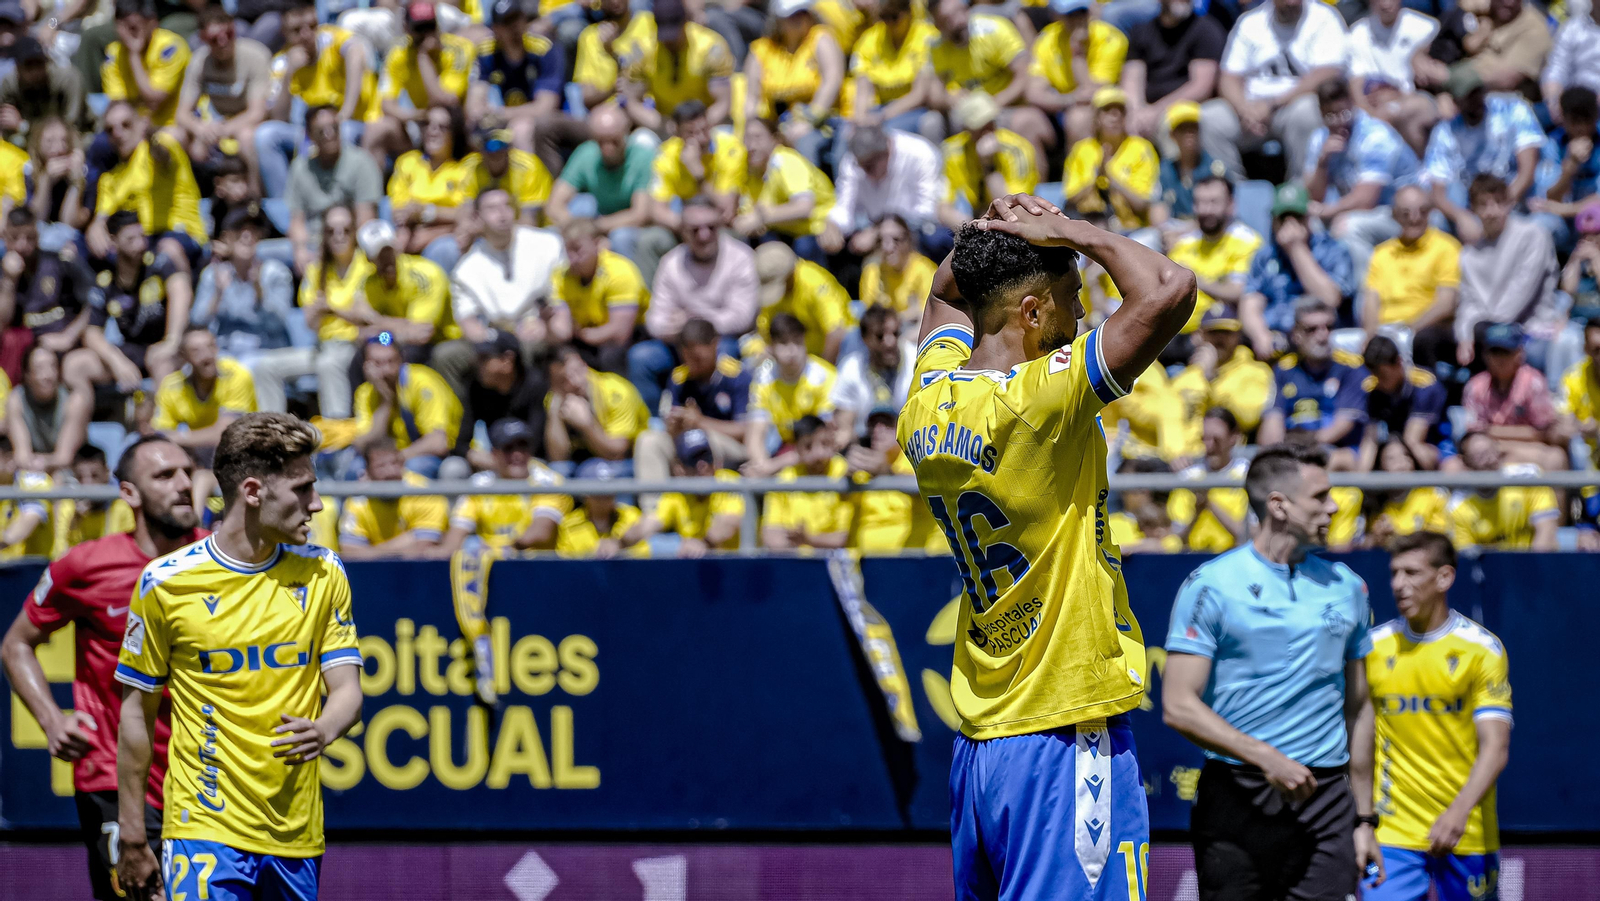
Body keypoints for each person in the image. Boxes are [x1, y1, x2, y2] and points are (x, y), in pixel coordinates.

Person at [899, 192, 1196, 898]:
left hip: (982, 747)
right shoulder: (1043, 398)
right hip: (1063, 733)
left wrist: (986, 237)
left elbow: (944, 295)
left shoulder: (926, 396)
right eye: (1071, 300)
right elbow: (1171, 288)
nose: (1084, 314)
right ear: (1032, 314)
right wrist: (1067, 230)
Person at [112, 413, 363, 900]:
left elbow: (348, 691)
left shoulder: (324, 572)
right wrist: (134, 833)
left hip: (296, 833)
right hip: (203, 830)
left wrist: (324, 729)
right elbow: (136, 717)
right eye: (302, 489)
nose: (317, 503)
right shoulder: (165, 582)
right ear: (252, 491)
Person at [1163, 444, 1378, 901]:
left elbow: (1359, 709)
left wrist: (1364, 820)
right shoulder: (1211, 584)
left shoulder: (1349, 587)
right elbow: (1179, 705)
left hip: (1326, 802)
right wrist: (1267, 758)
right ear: (1279, 505)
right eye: (1320, 496)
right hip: (1235, 799)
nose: (1335, 506)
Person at [0, 436, 204, 901]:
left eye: (187, 473)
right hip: (113, 775)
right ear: (129, 493)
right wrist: (52, 720)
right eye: (164, 475)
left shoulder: (222, 563)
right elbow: (16, 646)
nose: (182, 485)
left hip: (202, 777)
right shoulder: (86, 566)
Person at [1359, 531, 1512, 901]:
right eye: (1395, 573)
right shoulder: (1373, 648)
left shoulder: (1482, 650)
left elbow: (1496, 747)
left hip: (1467, 829)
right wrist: (1361, 821)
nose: (1399, 584)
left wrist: (1457, 813)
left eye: (1412, 573)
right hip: (1392, 834)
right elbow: (1358, 743)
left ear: (1444, 577)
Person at [1201, 0, 1347, 183]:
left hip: (1292, 108)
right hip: (1250, 110)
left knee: (1308, 111)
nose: (1292, 2)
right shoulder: (1250, 22)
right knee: (1210, 117)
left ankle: (1301, 193)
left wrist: (1272, 104)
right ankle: (1232, 194)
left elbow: (1328, 73)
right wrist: (1244, 109)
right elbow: (1228, 77)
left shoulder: (1324, 18)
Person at [634, 197, 760, 404]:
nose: (704, 235)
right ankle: (655, 426)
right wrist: (687, 328)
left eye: (711, 227)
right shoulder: (671, 263)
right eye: (695, 230)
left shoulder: (741, 257)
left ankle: (722, 418)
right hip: (678, 343)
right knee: (641, 357)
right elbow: (654, 320)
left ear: (720, 227)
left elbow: (741, 318)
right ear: (682, 231)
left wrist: (693, 321)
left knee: (724, 354)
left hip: (722, 342)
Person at [252, 205, 371, 418]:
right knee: (265, 367)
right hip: (322, 346)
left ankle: (337, 439)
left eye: (345, 230)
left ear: (355, 233)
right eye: (331, 231)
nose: (339, 237)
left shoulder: (368, 267)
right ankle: (270, 434)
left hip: (355, 346)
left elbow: (368, 318)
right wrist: (330, 311)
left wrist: (331, 308)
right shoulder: (317, 269)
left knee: (328, 365)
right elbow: (311, 323)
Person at [1303, 79, 1421, 279]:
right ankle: (1327, 293)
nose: (1340, 122)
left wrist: (1328, 211)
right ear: (1321, 113)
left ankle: (1366, 297)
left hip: (1401, 213)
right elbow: (1314, 196)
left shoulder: (1376, 136)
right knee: (1307, 224)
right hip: (1364, 212)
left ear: (1352, 104)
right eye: (1331, 116)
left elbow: (1366, 200)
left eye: (1344, 113)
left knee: (1349, 226)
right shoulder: (1319, 139)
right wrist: (1322, 163)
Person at [66, 211, 192, 394]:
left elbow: (181, 289)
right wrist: (116, 360)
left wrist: (172, 341)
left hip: (168, 347)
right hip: (132, 350)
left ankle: (161, 421)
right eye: (131, 239)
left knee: (159, 360)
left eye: (142, 236)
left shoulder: (158, 263)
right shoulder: (106, 281)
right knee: (75, 365)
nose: (140, 244)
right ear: (113, 241)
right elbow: (91, 332)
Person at [260, 6, 377, 200]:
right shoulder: (282, 62)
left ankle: (340, 201)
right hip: (305, 132)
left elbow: (356, 53)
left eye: (312, 26)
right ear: (284, 33)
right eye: (297, 31)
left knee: (339, 131)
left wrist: (343, 114)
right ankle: (285, 208)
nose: (306, 35)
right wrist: (289, 74)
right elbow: (279, 118)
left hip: (351, 122)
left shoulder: (331, 38)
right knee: (265, 136)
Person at [1455, 176, 1563, 371]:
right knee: (1429, 339)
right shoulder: (1468, 254)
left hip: (1530, 328)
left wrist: (1485, 329)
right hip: (1484, 328)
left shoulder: (1533, 235)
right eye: (1483, 205)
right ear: (1472, 209)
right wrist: (1465, 335)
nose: (1492, 212)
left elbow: (1521, 291)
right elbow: (1468, 302)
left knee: (1483, 336)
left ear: (1509, 204)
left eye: (1498, 203)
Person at [86, 100, 208, 272]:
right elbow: (101, 218)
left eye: (126, 125)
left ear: (140, 123)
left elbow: (162, 154)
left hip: (179, 234)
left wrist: (150, 134)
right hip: (141, 243)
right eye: (110, 130)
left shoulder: (157, 149)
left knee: (167, 250)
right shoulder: (110, 179)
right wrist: (95, 228)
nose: (118, 133)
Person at [926, 0, 1051, 167]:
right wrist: (952, 99)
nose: (959, 21)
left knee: (1026, 123)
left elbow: (1024, 76)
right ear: (937, 25)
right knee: (930, 125)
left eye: (960, 12)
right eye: (948, 19)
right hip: (967, 110)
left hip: (1006, 106)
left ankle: (1033, 188)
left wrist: (994, 104)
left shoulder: (994, 31)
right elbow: (935, 95)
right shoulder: (937, 46)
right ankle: (948, 188)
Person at [1422, 68, 1542, 242]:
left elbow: (1527, 172)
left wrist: (1499, 209)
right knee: (1436, 219)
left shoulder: (1513, 109)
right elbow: (1438, 191)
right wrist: (1462, 218)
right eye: (1468, 95)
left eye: (1478, 92)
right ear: (1456, 101)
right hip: (1470, 204)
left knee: (1544, 225)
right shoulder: (1445, 131)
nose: (1475, 99)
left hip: (1512, 199)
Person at [1239, 183, 1355, 360]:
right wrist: (1260, 335)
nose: (1290, 224)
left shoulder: (1333, 249)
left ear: (1308, 218)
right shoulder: (1265, 256)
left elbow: (1330, 299)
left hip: (1318, 338)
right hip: (1274, 340)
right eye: (1283, 217)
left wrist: (1297, 249)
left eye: (1297, 217)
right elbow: (1251, 303)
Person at [633, 317, 753, 485]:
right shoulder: (679, 378)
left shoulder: (737, 376)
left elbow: (746, 430)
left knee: (704, 439)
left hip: (732, 447)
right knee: (649, 440)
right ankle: (654, 508)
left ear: (715, 344)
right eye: (687, 358)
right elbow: (669, 425)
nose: (693, 364)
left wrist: (700, 422)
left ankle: (714, 503)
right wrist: (674, 426)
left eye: (698, 358)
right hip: (687, 440)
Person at [1257, 299, 1369, 468]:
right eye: (1312, 329)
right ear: (1296, 335)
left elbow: (1340, 428)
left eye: (1328, 327)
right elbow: (1270, 431)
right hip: (1293, 454)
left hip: (1336, 453)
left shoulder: (1352, 368)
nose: (1323, 335)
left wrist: (1298, 443)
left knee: (1340, 459)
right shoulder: (1283, 370)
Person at [439, 416, 569, 557]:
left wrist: (499, 550)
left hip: (538, 566)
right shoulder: (479, 484)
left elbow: (540, 533)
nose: (517, 454)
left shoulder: (548, 481)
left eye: (523, 446)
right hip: (492, 565)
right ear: (494, 454)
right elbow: (456, 534)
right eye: (508, 448)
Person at [821, 124, 949, 266]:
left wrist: (879, 231)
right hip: (870, 229)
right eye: (860, 166)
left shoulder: (920, 154)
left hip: (915, 230)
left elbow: (926, 211)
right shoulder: (853, 162)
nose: (864, 172)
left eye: (869, 166)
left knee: (936, 240)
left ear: (888, 151)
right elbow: (845, 207)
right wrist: (832, 224)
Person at [365, 1, 478, 160]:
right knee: (377, 129)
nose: (426, 34)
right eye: (419, 29)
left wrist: (423, 58)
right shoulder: (399, 53)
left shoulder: (459, 49)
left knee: (439, 116)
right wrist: (415, 116)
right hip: (421, 121)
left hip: (458, 126)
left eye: (430, 27)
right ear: (406, 28)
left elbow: (445, 100)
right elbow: (387, 104)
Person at [1361, 186, 1460, 367]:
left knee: (1422, 341)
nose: (1414, 218)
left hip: (1424, 329)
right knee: (1339, 344)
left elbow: (1446, 303)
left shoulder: (1447, 248)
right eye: (1406, 213)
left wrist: (1409, 330)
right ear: (1395, 215)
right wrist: (1370, 336)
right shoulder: (1382, 253)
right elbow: (1371, 300)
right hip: (1386, 330)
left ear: (1430, 213)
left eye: (1422, 212)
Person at [281, 105, 383, 275]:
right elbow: (296, 220)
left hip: (349, 242)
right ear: (309, 135)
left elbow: (366, 220)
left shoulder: (362, 163)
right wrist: (300, 249)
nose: (329, 135)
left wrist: (335, 250)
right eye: (321, 131)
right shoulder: (300, 168)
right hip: (312, 243)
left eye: (334, 128)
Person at [742, 0, 845, 166]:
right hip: (776, 125)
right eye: (791, 15)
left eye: (803, 13)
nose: (799, 18)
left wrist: (809, 120)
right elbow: (751, 98)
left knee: (805, 143)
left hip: (822, 122)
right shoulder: (762, 50)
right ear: (778, 20)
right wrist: (750, 131)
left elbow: (832, 80)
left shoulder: (820, 38)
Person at [175, 6, 272, 181]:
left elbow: (258, 112)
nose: (223, 42)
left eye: (228, 34)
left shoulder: (255, 55)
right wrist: (201, 129)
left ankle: (254, 196)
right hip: (218, 123)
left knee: (246, 138)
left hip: (248, 124)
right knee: (191, 144)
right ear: (203, 38)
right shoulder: (200, 62)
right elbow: (182, 113)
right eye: (214, 39)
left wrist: (223, 130)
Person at [1461, 322, 1570, 472]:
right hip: (1487, 451)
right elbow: (1473, 434)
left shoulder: (1533, 382)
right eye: (1495, 352)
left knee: (1556, 458)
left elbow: (1543, 433)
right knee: (1453, 465)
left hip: (1529, 449)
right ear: (1485, 355)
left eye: (1506, 352)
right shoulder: (1475, 386)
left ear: (1519, 353)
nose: (1500, 359)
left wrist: (1492, 433)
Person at [352, 331, 462, 478]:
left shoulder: (422, 382)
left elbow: (438, 442)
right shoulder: (365, 393)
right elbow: (363, 444)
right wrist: (386, 402)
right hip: (390, 459)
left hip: (432, 457)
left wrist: (396, 459)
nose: (385, 370)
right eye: (377, 364)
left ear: (402, 360)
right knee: (354, 468)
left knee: (414, 468)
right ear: (365, 366)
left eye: (391, 362)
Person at [729, 115, 838, 262]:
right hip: (785, 232)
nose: (751, 146)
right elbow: (747, 214)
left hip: (819, 229)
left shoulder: (786, 161)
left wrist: (761, 217)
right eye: (746, 139)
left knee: (803, 248)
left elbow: (804, 208)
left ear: (775, 139)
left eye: (758, 137)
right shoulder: (752, 172)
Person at [1166, 175, 1263, 337]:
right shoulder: (1184, 243)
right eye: (1200, 203)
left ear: (1231, 204)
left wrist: (1194, 279)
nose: (1205, 210)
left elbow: (1237, 292)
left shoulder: (1247, 242)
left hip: (1222, 334)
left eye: (1213, 202)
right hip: (1175, 334)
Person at [1024, 0, 1128, 150]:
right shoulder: (1047, 39)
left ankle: (1080, 172)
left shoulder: (1111, 38)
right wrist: (1069, 99)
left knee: (1078, 118)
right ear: (1057, 16)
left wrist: (1077, 52)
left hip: (1100, 108)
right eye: (1070, 14)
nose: (1078, 19)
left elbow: (1094, 93)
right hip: (1060, 104)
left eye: (1082, 12)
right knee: (1025, 121)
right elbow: (1033, 93)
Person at [548, 218, 648, 375]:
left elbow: (619, 334)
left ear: (597, 244)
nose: (572, 258)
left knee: (610, 355)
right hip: (587, 335)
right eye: (568, 250)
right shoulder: (561, 276)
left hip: (633, 336)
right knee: (555, 355)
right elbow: (563, 330)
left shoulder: (620, 272)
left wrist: (581, 333)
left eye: (578, 250)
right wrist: (547, 323)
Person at [1063, 87, 1163, 237]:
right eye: (1107, 110)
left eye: (1120, 110)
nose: (1115, 116)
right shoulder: (1081, 150)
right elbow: (1070, 198)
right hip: (1087, 226)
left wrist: (1111, 178)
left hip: (1131, 231)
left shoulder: (1141, 148)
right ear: (1096, 117)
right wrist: (1096, 176)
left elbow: (1143, 203)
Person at [386, 103, 474, 272]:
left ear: (454, 133)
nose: (433, 131)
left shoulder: (464, 169)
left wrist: (427, 213)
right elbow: (399, 211)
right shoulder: (408, 162)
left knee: (444, 250)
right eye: (428, 124)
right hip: (408, 232)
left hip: (445, 237)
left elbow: (465, 215)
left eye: (442, 127)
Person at [544, 104, 652, 241]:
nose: (608, 147)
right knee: (566, 221)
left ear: (626, 133)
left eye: (614, 141)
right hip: (595, 218)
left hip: (629, 228)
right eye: (601, 141)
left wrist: (595, 226)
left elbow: (640, 214)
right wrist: (576, 227)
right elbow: (554, 204)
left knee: (621, 237)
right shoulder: (586, 153)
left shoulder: (644, 157)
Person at [746, 312, 836, 476]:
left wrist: (774, 466)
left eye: (797, 342)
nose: (792, 351)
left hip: (818, 453)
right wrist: (762, 467)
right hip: (783, 449)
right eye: (784, 343)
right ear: (771, 347)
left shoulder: (824, 376)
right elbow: (755, 434)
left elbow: (825, 439)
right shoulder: (763, 378)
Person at [467, 0, 564, 153]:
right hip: (500, 119)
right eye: (506, 22)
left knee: (521, 130)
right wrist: (482, 113)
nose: (514, 27)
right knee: (475, 132)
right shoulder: (487, 52)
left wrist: (500, 114)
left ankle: (528, 177)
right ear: (495, 29)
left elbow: (546, 107)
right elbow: (474, 105)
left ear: (525, 19)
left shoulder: (543, 49)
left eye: (517, 19)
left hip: (539, 122)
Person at [0, 207, 95, 362]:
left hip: (65, 346)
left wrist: (68, 336)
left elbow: (96, 299)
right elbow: (2, 324)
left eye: (29, 237)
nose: (22, 245)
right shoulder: (2, 272)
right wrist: (9, 281)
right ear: (4, 237)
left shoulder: (59, 261)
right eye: (15, 238)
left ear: (37, 235)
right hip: (24, 354)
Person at [1120, 0, 1223, 141]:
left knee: (1171, 126)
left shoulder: (1206, 30)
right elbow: (1131, 79)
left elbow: (1201, 87)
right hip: (1145, 109)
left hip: (1185, 107)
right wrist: (1136, 112)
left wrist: (1156, 112)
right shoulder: (1141, 31)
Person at [630, 428, 744, 555]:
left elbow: (729, 522)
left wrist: (702, 544)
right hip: (700, 566)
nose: (702, 465)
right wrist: (618, 542)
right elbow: (650, 523)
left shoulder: (730, 482)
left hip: (738, 566)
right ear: (680, 469)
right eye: (693, 460)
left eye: (707, 457)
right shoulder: (678, 493)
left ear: (717, 462)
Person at [1347, 0, 1442, 154]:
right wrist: (1369, 113)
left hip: (1416, 98)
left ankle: (1420, 170)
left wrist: (1396, 98)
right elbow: (1355, 82)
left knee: (1410, 113)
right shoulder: (1358, 33)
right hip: (1374, 104)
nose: (1385, 4)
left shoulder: (1426, 28)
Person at [355, 219, 457, 361]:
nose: (385, 258)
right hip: (395, 342)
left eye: (388, 250)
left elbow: (421, 334)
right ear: (368, 259)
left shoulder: (426, 274)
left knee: (409, 354)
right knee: (361, 357)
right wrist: (395, 332)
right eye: (378, 254)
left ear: (396, 246)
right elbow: (362, 334)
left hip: (441, 340)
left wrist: (376, 320)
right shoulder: (368, 284)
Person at [151, 327, 257, 462]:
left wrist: (180, 437)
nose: (207, 356)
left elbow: (227, 434)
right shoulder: (172, 386)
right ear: (184, 357)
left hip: (243, 454)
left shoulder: (236, 375)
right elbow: (161, 434)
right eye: (196, 351)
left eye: (211, 346)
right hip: (199, 454)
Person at [1170, 303, 1274, 440]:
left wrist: (1211, 378)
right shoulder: (1187, 376)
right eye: (1213, 332)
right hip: (1187, 455)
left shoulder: (1257, 371)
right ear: (1199, 336)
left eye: (1226, 332)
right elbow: (1171, 419)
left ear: (1238, 336)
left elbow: (1248, 417)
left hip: (1230, 454)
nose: (1219, 339)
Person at [937, 90, 1038, 230]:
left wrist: (989, 167)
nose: (987, 130)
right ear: (966, 128)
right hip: (971, 219)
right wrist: (973, 230)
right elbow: (944, 209)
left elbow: (1013, 211)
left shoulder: (1017, 150)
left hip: (1013, 222)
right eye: (980, 126)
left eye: (990, 123)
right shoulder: (951, 151)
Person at [336, 438, 448, 560]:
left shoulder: (423, 492)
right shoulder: (358, 501)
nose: (390, 471)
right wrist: (407, 540)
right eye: (381, 466)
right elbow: (350, 552)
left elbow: (422, 547)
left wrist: (371, 552)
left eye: (395, 463)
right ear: (368, 472)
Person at [545, 342, 649, 471]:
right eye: (563, 380)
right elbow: (558, 459)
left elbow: (617, 454)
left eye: (576, 372)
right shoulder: (556, 397)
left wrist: (586, 425)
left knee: (595, 473)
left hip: (630, 459)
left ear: (585, 366)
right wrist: (554, 412)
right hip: (584, 460)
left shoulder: (617, 392)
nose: (574, 382)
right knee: (558, 471)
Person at [1448, 430, 1560, 550]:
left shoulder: (1528, 480)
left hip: (1532, 562)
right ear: (1465, 462)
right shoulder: (1458, 507)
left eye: (1492, 451)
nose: (1491, 460)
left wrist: (1533, 566)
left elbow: (1547, 532)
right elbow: (1467, 558)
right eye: (1480, 457)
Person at [844, 0, 939, 137]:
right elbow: (862, 90)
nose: (888, 23)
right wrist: (861, 118)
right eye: (883, 17)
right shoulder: (870, 39)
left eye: (894, 17)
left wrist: (882, 116)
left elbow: (919, 94)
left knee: (887, 132)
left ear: (909, 13)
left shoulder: (926, 37)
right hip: (881, 109)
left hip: (916, 110)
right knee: (847, 134)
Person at [455, 328, 547, 465]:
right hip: (493, 461)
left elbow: (537, 443)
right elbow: (461, 442)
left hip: (530, 461)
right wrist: (476, 456)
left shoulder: (536, 385)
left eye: (484, 358)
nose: (477, 364)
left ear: (507, 359)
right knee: (454, 466)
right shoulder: (475, 387)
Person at [760, 412, 852, 549]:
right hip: (793, 560)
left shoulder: (844, 473)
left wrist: (808, 539)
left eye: (825, 444)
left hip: (833, 561)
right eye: (808, 446)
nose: (818, 454)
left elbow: (843, 538)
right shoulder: (785, 478)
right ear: (797, 449)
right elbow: (770, 534)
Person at [1360, 334, 1450, 472]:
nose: (1378, 380)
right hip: (1397, 446)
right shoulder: (1374, 388)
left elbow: (1412, 439)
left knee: (1397, 456)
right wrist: (1361, 479)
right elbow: (1370, 439)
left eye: (1383, 375)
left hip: (1435, 446)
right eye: (1374, 374)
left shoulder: (1425, 385)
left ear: (1399, 362)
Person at [754, 242, 854, 363]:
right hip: (798, 359)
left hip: (837, 353)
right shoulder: (775, 294)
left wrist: (825, 370)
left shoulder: (813, 282)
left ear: (791, 273)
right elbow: (765, 332)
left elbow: (837, 332)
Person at [1167, 408, 1251, 552]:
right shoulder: (1189, 477)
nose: (1209, 446)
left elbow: (1247, 536)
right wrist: (1198, 511)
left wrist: (1209, 503)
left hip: (1233, 557)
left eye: (1216, 440)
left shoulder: (1247, 475)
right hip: (1192, 559)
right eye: (1204, 439)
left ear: (1234, 438)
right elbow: (1177, 538)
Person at [101, 0, 190, 128]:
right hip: (135, 124)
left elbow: (154, 98)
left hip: (171, 124)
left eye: (133, 28)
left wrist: (134, 55)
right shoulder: (114, 52)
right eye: (121, 28)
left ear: (152, 23)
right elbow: (117, 101)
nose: (126, 35)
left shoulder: (171, 47)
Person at [831, 304, 913, 439]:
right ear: (865, 338)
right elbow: (844, 430)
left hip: (910, 444)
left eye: (896, 333)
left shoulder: (918, 361)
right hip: (866, 443)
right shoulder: (851, 369)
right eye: (880, 336)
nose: (890, 342)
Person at [7, 344, 90, 473]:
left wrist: (41, 462)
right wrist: (36, 464)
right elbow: (21, 455)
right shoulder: (16, 399)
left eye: (52, 366)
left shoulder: (74, 401)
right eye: (39, 368)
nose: (48, 375)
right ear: (27, 375)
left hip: (68, 473)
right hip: (29, 472)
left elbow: (64, 458)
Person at [461, 119, 553, 228]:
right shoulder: (469, 168)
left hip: (534, 230)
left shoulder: (529, 167)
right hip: (485, 233)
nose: (495, 151)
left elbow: (530, 221)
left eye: (501, 143)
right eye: (489, 144)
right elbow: (465, 215)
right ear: (478, 147)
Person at [555, 457, 649, 558]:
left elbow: (643, 556)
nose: (606, 496)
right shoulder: (569, 524)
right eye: (599, 492)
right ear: (585, 494)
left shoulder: (631, 515)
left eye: (610, 490)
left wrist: (619, 550)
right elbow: (565, 565)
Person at [1457, 0, 1550, 99]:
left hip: (1498, 100)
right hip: (1461, 80)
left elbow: (1507, 80)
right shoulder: (1488, 11)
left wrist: (1452, 79)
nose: (1509, 3)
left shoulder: (1535, 28)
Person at [1157, 101, 1226, 228]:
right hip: (1174, 225)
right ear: (1172, 135)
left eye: (1193, 128)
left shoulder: (1214, 168)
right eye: (1182, 129)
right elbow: (1158, 206)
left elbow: (1220, 213)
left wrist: (1186, 232)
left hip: (1206, 228)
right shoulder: (1166, 169)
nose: (1189, 134)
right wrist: (1163, 232)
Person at [859, 213, 937, 323]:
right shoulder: (872, 271)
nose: (888, 247)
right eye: (881, 240)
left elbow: (928, 316)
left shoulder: (925, 270)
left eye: (896, 239)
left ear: (908, 240)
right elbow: (869, 316)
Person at [1542, 0, 1600, 124]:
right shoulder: (1572, 28)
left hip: (1595, 107)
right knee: (1536, 116)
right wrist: (1554, 100)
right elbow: (1556, 68)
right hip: (1572, 103)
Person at [1557, 315, 1600, 472]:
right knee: (1575, 447)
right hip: (1586, 457)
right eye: (1597, 349)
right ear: (1586, 349)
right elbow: (1564, 421)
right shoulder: (1573, 378)